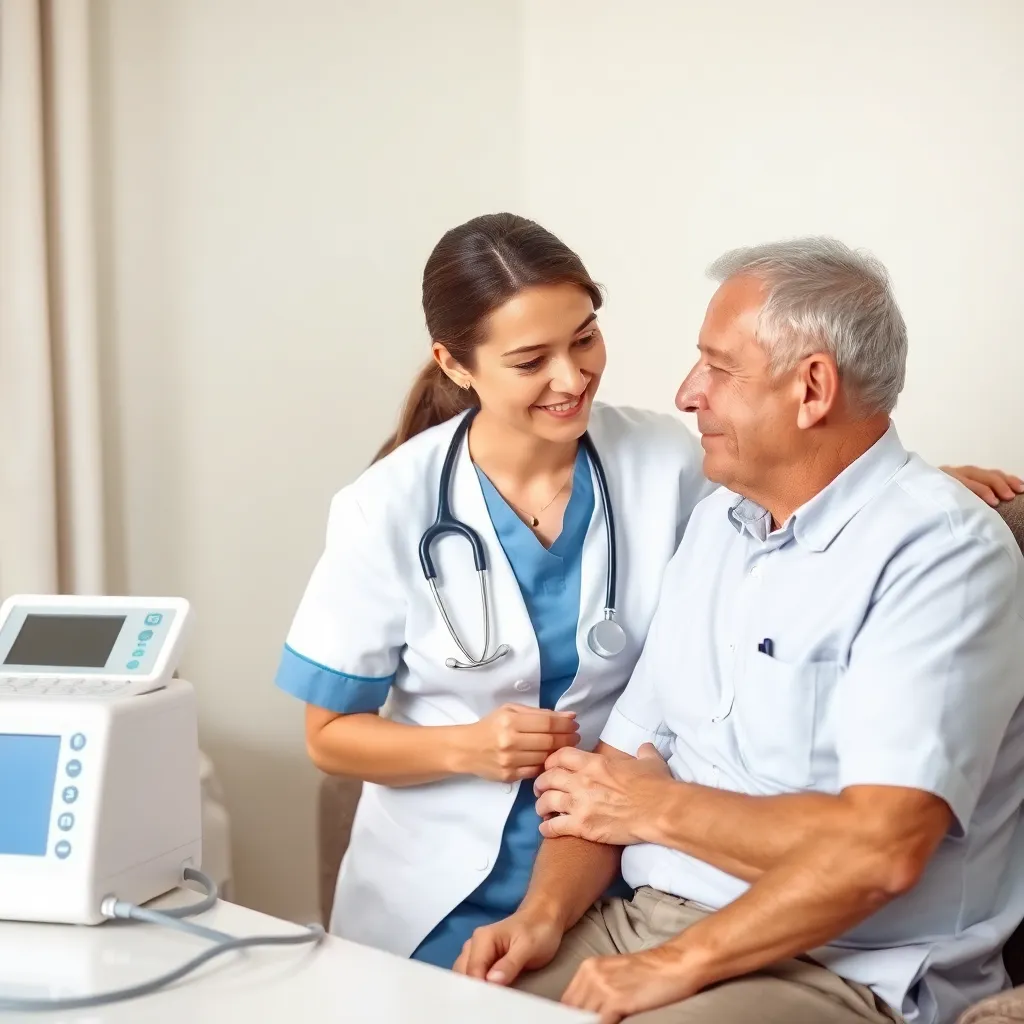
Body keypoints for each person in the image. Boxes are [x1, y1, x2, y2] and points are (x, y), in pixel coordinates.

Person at [273, 214, 1020, 972]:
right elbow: (327, 734)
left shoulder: (670, 462)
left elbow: (813, 468)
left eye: (584, 339)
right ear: (456, 364)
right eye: (531, 360)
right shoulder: (386, 506)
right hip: (444, 872)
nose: (571, 379)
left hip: (610, 866)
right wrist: (469, 746)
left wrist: (907, 489)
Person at [453, 237, 1024, 1024]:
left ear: (812, 388)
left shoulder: (944, 556)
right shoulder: (721, 522)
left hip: (834, 970)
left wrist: (656, 822)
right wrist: (542, 917)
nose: (690, 393)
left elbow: (879, 851)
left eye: (718, 368)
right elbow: (611, 775)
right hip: (643, 920)